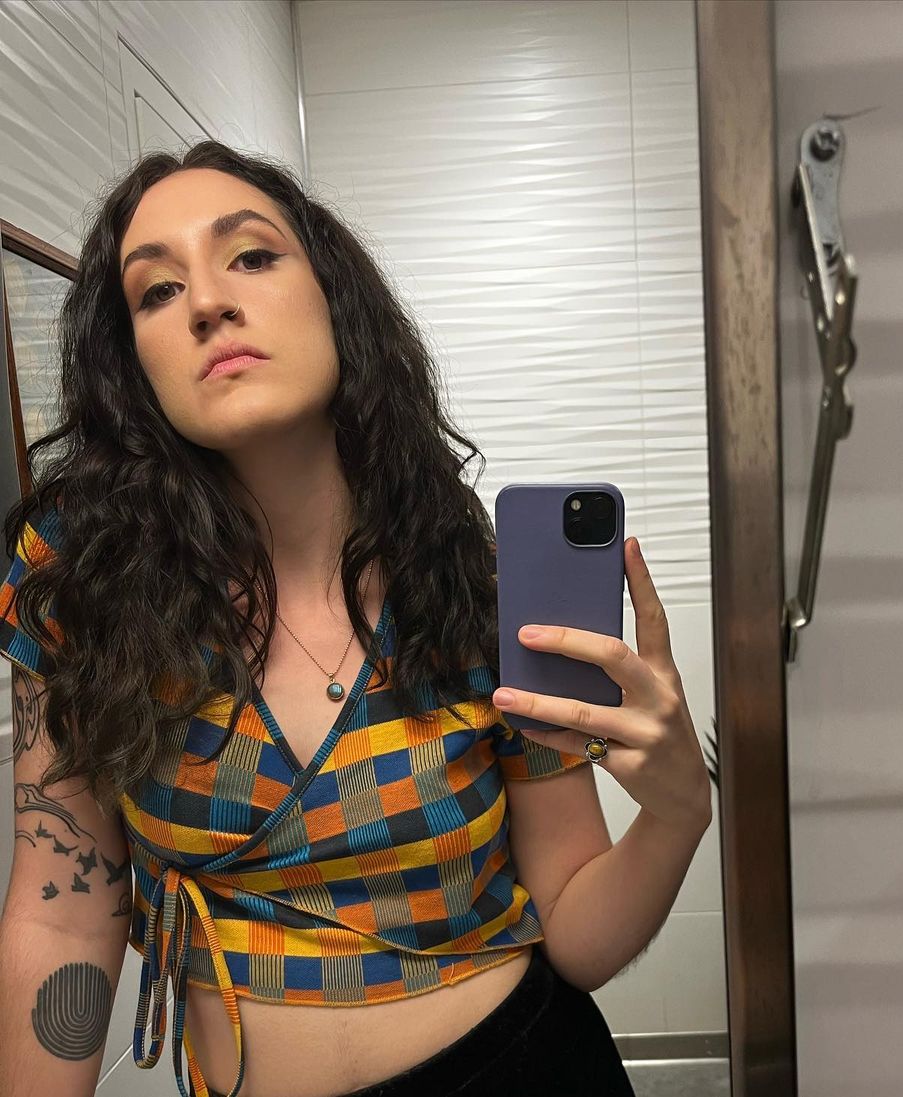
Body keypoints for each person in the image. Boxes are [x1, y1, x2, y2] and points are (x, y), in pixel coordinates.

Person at [0, 140, 713, 1097]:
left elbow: (579, 934)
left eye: (251, 255)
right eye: (157, 291)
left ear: (334, 297)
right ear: (132, 362)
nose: (207, 301)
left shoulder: (472, 584)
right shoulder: (81, 586)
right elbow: (61, 915)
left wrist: (678, 812)